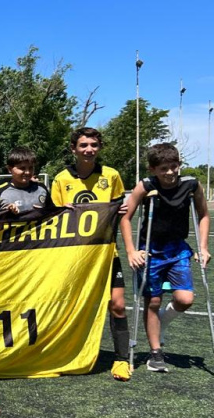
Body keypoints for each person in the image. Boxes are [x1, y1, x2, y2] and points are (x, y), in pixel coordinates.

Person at [120, 143, 210, 373]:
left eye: (174, 166)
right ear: (153, 169)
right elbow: (126, 217)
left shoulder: (191, 185)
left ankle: (162, 322)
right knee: (154, 301)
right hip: (150, 250)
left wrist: (203, 247)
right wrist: (131, 251)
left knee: (185, 299)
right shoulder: (145, 186)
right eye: (164, 169)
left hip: (178, 250)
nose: (170, 173)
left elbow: (203, 214)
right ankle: (155, 353)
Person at [51, 127, 131, 381]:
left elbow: (121, 212)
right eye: (83, 145)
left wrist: (125, 210)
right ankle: (64, 355)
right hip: (73, 256)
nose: (89, 150)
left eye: (94, 145)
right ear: (73, 148)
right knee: (69, 306)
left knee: (117, 304)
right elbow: (51, 220)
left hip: (106, 253)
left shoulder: (112, 175)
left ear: (100, 147)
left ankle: (121, 360)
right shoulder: (61, 179)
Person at [0, 147, 52, 214]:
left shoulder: (41, 188)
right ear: (9, 169)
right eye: (22, 168)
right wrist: (7, 214)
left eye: (31, 168)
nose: (27, 172)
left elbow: (54, 214)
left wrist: (44, 212)